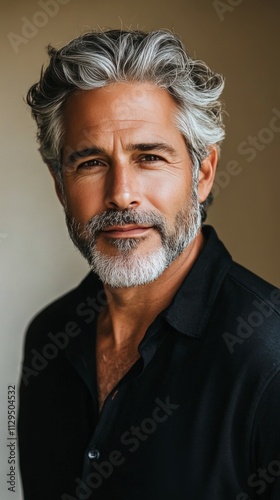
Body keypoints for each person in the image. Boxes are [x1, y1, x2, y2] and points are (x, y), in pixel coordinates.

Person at [18, 29, 280, 500]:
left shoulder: (269, 357)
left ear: (202, 173)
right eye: (91, 162)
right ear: (60, 186)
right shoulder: (48, 337)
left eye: (149, 157)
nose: (121, 193)